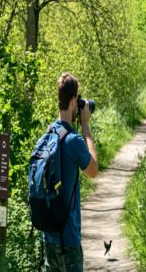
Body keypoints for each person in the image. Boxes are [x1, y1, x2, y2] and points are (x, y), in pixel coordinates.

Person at [43, 72, 98, 271]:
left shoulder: (48, 135)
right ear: (74, 100)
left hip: (49, 237)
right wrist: (85, 125)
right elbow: (93, 170)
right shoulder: (72, 139)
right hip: (69, 239)